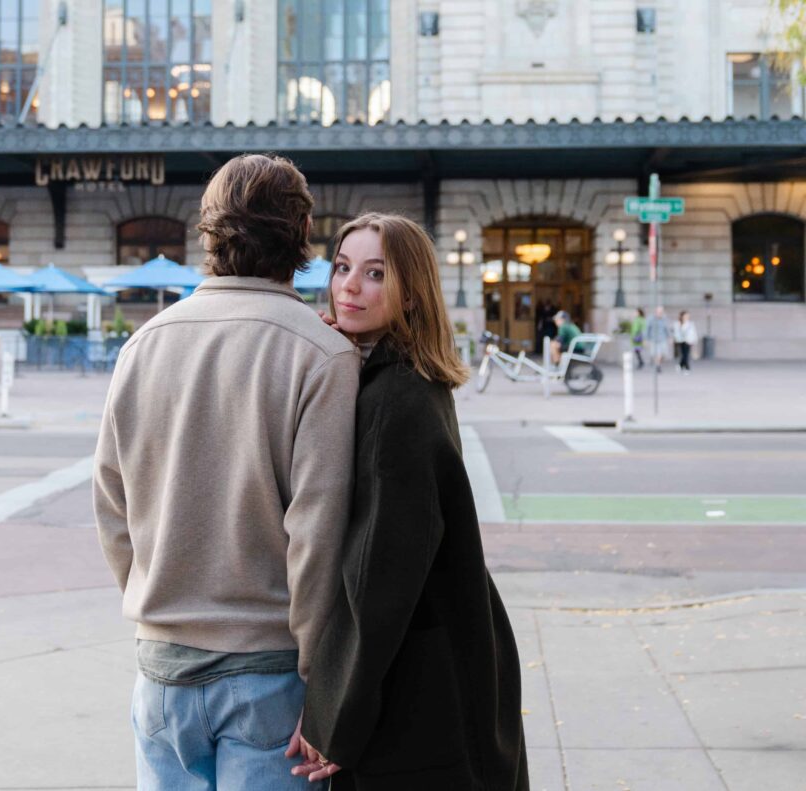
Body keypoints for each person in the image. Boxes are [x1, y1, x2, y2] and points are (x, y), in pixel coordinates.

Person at [93, 154, 360, 791]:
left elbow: (111, 504)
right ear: (301, 238)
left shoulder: (145, 343)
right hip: (269, 674)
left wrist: (161, 597)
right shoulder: (323, 353)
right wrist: (323, 683)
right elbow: (316, 536)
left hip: (160, 671)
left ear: (208, 233)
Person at [288, 213, 529, 790]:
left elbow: (378, 579)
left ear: (411, 292)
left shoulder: (397, 401)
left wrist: (334, 715)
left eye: (375, 274)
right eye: (342, 267)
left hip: (419, 683)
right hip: (443, 652)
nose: (349, 286)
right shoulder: (406, 377)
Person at [645, 305, 671, 373]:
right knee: (655, 353)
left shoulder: (664, 319)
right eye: (659, 312)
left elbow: (667, 329)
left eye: (661, 312)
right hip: (653, 339)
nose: (660, 314)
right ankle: (657, 365)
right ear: (655, 312)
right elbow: (647, 329)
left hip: (662, 339)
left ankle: (657, 364)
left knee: (663, 353)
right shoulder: (650, 319)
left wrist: (670, 337)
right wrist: (646, 339)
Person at [673, 310, 698, 374]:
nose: (687, 317)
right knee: (683, 354)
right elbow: (675, 332)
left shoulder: (690, 324)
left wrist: (694, 340)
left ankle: (686, 367)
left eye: (688, 316)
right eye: (686, 315)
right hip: (680, 340)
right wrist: (675, 338)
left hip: (688, 341)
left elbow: (693, 333)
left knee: (686, 354)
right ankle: (681, 365)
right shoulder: (677, 323)